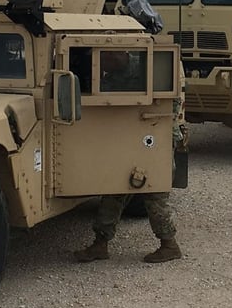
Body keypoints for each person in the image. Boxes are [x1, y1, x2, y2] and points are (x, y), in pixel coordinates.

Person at [74, 52, 187, 264]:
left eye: (105, 58)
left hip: (152, 137)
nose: (102, 64)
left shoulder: (148, 65)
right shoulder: (109, 77)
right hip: (125, 138)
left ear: (120, 54)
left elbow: (168, 104)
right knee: (114, 188)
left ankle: (169, 244)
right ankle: (100, 243)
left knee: (154, 191)